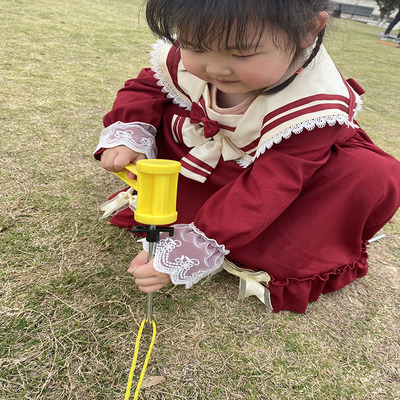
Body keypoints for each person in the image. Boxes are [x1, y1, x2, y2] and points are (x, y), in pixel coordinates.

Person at [94, 0, 400, 313]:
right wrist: (130, 128)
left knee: (366, 173)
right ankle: (191, 203)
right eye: (194, 46)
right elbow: (148, 87)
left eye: (241, 53)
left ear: (309, 30)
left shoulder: (314, 106)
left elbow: (270, 187)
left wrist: (195, 248)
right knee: (170, 105)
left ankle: (229, 231)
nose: (215, 68)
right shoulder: (186, 58)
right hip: (217, 166)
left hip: (282, 186)